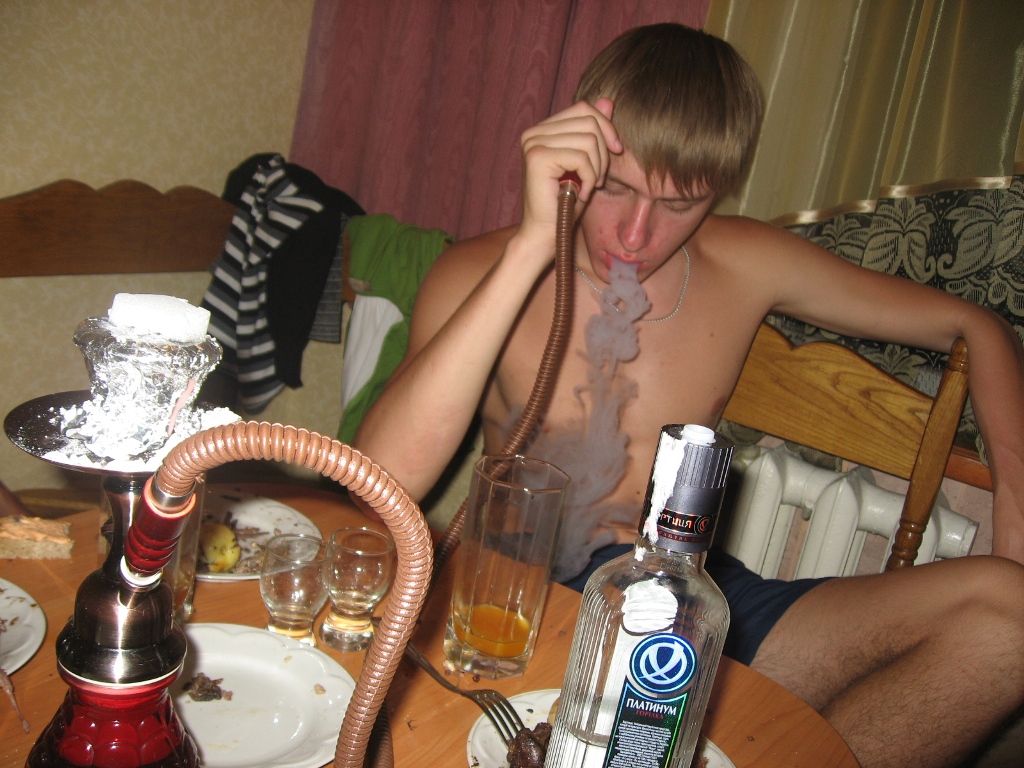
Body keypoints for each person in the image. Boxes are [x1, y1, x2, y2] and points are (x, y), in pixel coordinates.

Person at [353, 23, 1024, 768]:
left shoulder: (747, 261)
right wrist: (533, 247)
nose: (636, 235)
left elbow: (975, 325)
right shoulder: (480, 272)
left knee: (1010, 613)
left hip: (693, 604)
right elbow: (381, 481)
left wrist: (1016, 507)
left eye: (681, 203)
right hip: (529, 609)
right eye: (616, 188)